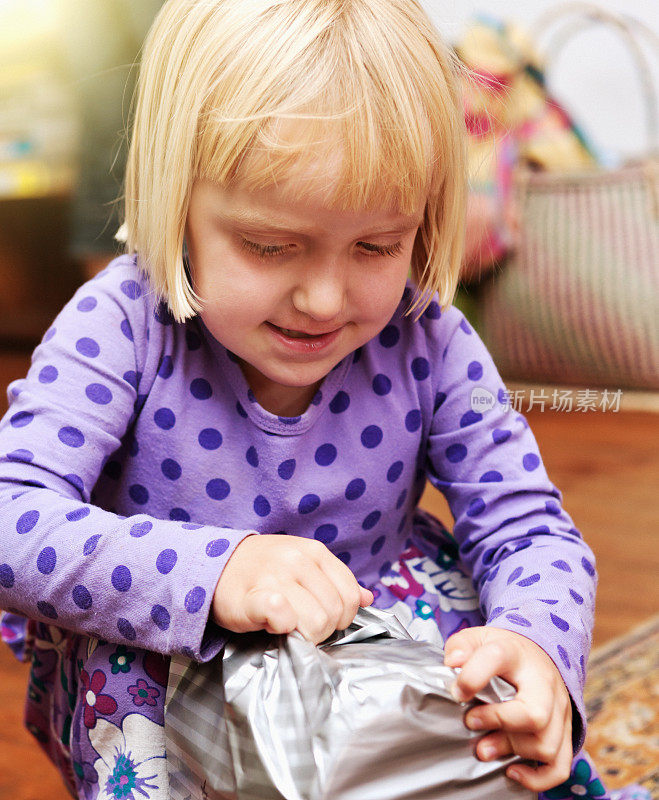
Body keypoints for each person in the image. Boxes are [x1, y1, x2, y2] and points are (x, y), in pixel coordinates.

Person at [0, 1, 610, 799]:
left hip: (379, 658)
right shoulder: (121, 324)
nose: (323, 299)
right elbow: (14, 520)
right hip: (172, 685)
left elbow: (528, 528)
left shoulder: (431, 338)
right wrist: (217, 571)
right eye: (269, 245)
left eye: (375, 246)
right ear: (173, 197)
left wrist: (534, 643)